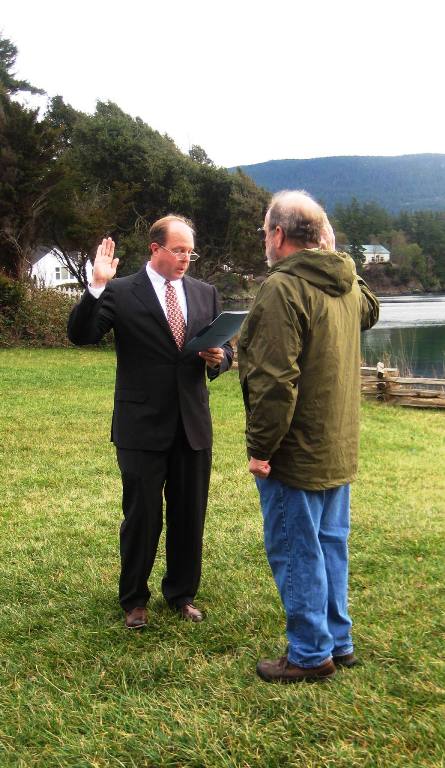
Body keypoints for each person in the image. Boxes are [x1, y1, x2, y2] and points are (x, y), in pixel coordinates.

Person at [237, 190, 379, 682]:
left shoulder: (285, 287)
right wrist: (339, 255)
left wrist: (260, 449)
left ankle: (309, 652)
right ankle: (338, 642)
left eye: (265, 232)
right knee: (329, 546)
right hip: (336, 448)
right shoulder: (343, 283)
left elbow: (276, 381)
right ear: (320, 236)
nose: (265, 240)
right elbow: (370, 310)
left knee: (298, 549)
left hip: (295, 454)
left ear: (278, 234)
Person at [68, 214, 233, 628]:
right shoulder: (122, 293)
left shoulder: (205, 293)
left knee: (188, 514)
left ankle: (181, 594)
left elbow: (225, 350)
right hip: (140, 424)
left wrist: (220, 358)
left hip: (192, 424)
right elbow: (82, 334)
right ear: (154, 249)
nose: (185, 259)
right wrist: (97, 285)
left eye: (190, 252)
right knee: (142, 515)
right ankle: (134, 601)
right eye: (178, 250)